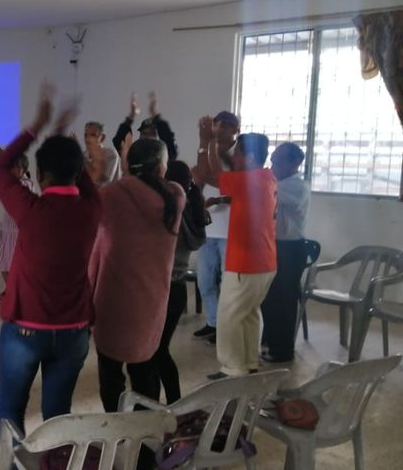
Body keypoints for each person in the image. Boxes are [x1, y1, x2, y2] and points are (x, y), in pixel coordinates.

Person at [0, 84, 102, 470]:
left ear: (39, 175)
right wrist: (65, 142)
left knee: (10, 409)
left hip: (24, 330)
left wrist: (36, 126)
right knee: (57, 413)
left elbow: (1, 167)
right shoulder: (92, 209)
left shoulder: (31, 210)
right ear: (77, 171)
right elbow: (85, 184)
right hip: (73, 333)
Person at [89, 138, 185, 415]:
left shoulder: (111, 195)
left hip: (112, 302)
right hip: (151, 304)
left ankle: (116, 428)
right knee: (145, 374)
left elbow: (88, 210)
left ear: (128, 164)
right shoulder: (175, 196)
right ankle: (144, 435)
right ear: (161, 167)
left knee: (111, 376)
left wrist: (105, 169)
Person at [200, 128, 277, 379]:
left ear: (251, 157)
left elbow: (214, 175)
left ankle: (233, 370)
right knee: (248, 314)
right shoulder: (266, 178)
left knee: (229, 316)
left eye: (238, 154)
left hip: (245, 263)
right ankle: (249, 362)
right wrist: (222, 201)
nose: (233, 158)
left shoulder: (249, 180)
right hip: (265, 262)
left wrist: (209, 142)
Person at [156, 160, 208, 403]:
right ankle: (174, 403)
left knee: (156, 352)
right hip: (176, 289)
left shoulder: (169, 211)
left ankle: (172, 405)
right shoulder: (191, 209)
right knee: (159, 350)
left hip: (161, 290)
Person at [190, 110, 241, 343]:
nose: (219, 129)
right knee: (205, 281)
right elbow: (202, 175)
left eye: (225, 126)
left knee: (229, 283)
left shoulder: (239, 154)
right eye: (217, 125)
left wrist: (218, 198)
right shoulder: (209, 147)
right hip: (208, 228)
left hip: (230, 229)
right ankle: (213, 323)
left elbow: (231, 186)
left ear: (235, 130)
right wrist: (204, 143)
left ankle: (227, 328)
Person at [260, 142, 311, 363]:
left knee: (284, 300)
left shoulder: (297, 186)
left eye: (278, 160)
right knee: (269, 298)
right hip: (275, 246)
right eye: (272, 159)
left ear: (295, 163)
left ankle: (282, 351)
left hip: (289, 249)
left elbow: (266, 191)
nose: (273, 165)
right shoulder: (277, 182)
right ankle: (271, 342)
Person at [0, 148, 34, 285]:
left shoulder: (26, 183)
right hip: (7, 232)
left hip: (19, 235)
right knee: (4, 267)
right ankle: (11, 292)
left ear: (24, 170)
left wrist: (1, 163)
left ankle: (17, 293)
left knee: (18, 269)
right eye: (11, 167)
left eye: (17, 167)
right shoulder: (8, 183)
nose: (13, 170)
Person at [112, 92, 179, 162]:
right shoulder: (134, 155)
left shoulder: (163, 157)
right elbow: (119, 142)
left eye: (152, 134)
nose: (148, 137)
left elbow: (171, 147)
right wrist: (131, 116)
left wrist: (156, 114)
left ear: (158, 136)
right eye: (144, 133)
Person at [82, 121, 122, 186]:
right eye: (86, 135)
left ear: (102, 138)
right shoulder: (84, 155)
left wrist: (82, 160)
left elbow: (103, 181)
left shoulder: (110, 154)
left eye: (93, 135)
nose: (88, 139)